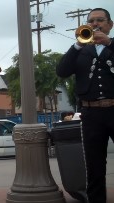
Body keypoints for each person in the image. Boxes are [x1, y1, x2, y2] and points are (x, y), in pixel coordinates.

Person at [56, 8, 114, 203]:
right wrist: (77, 45)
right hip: (90, 113)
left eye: (100, 20)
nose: (95, 24)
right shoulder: (81, 50)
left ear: (110, 24)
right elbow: (62, 70)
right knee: (94, 166)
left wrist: (110, 43)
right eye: (91, 21)